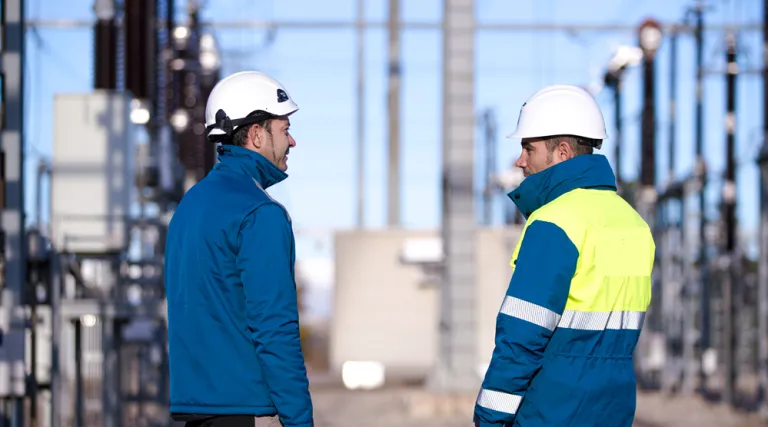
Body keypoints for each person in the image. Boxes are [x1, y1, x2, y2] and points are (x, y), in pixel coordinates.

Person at [473, 84, 655, 427]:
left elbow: (521, 339)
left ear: (562, 153)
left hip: (551, 412)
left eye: (529, 148)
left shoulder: (554, 223)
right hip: (613, 411)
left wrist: (489, 419)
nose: (520, 160)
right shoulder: (635, 225)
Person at [164, 71, 314, 427]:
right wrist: (299, 420)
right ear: (257, 135)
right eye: (284, 130)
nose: (292, 142)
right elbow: (275, 328)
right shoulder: (259, 213)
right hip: (241, 409)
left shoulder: (189, 206)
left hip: (196, 408)